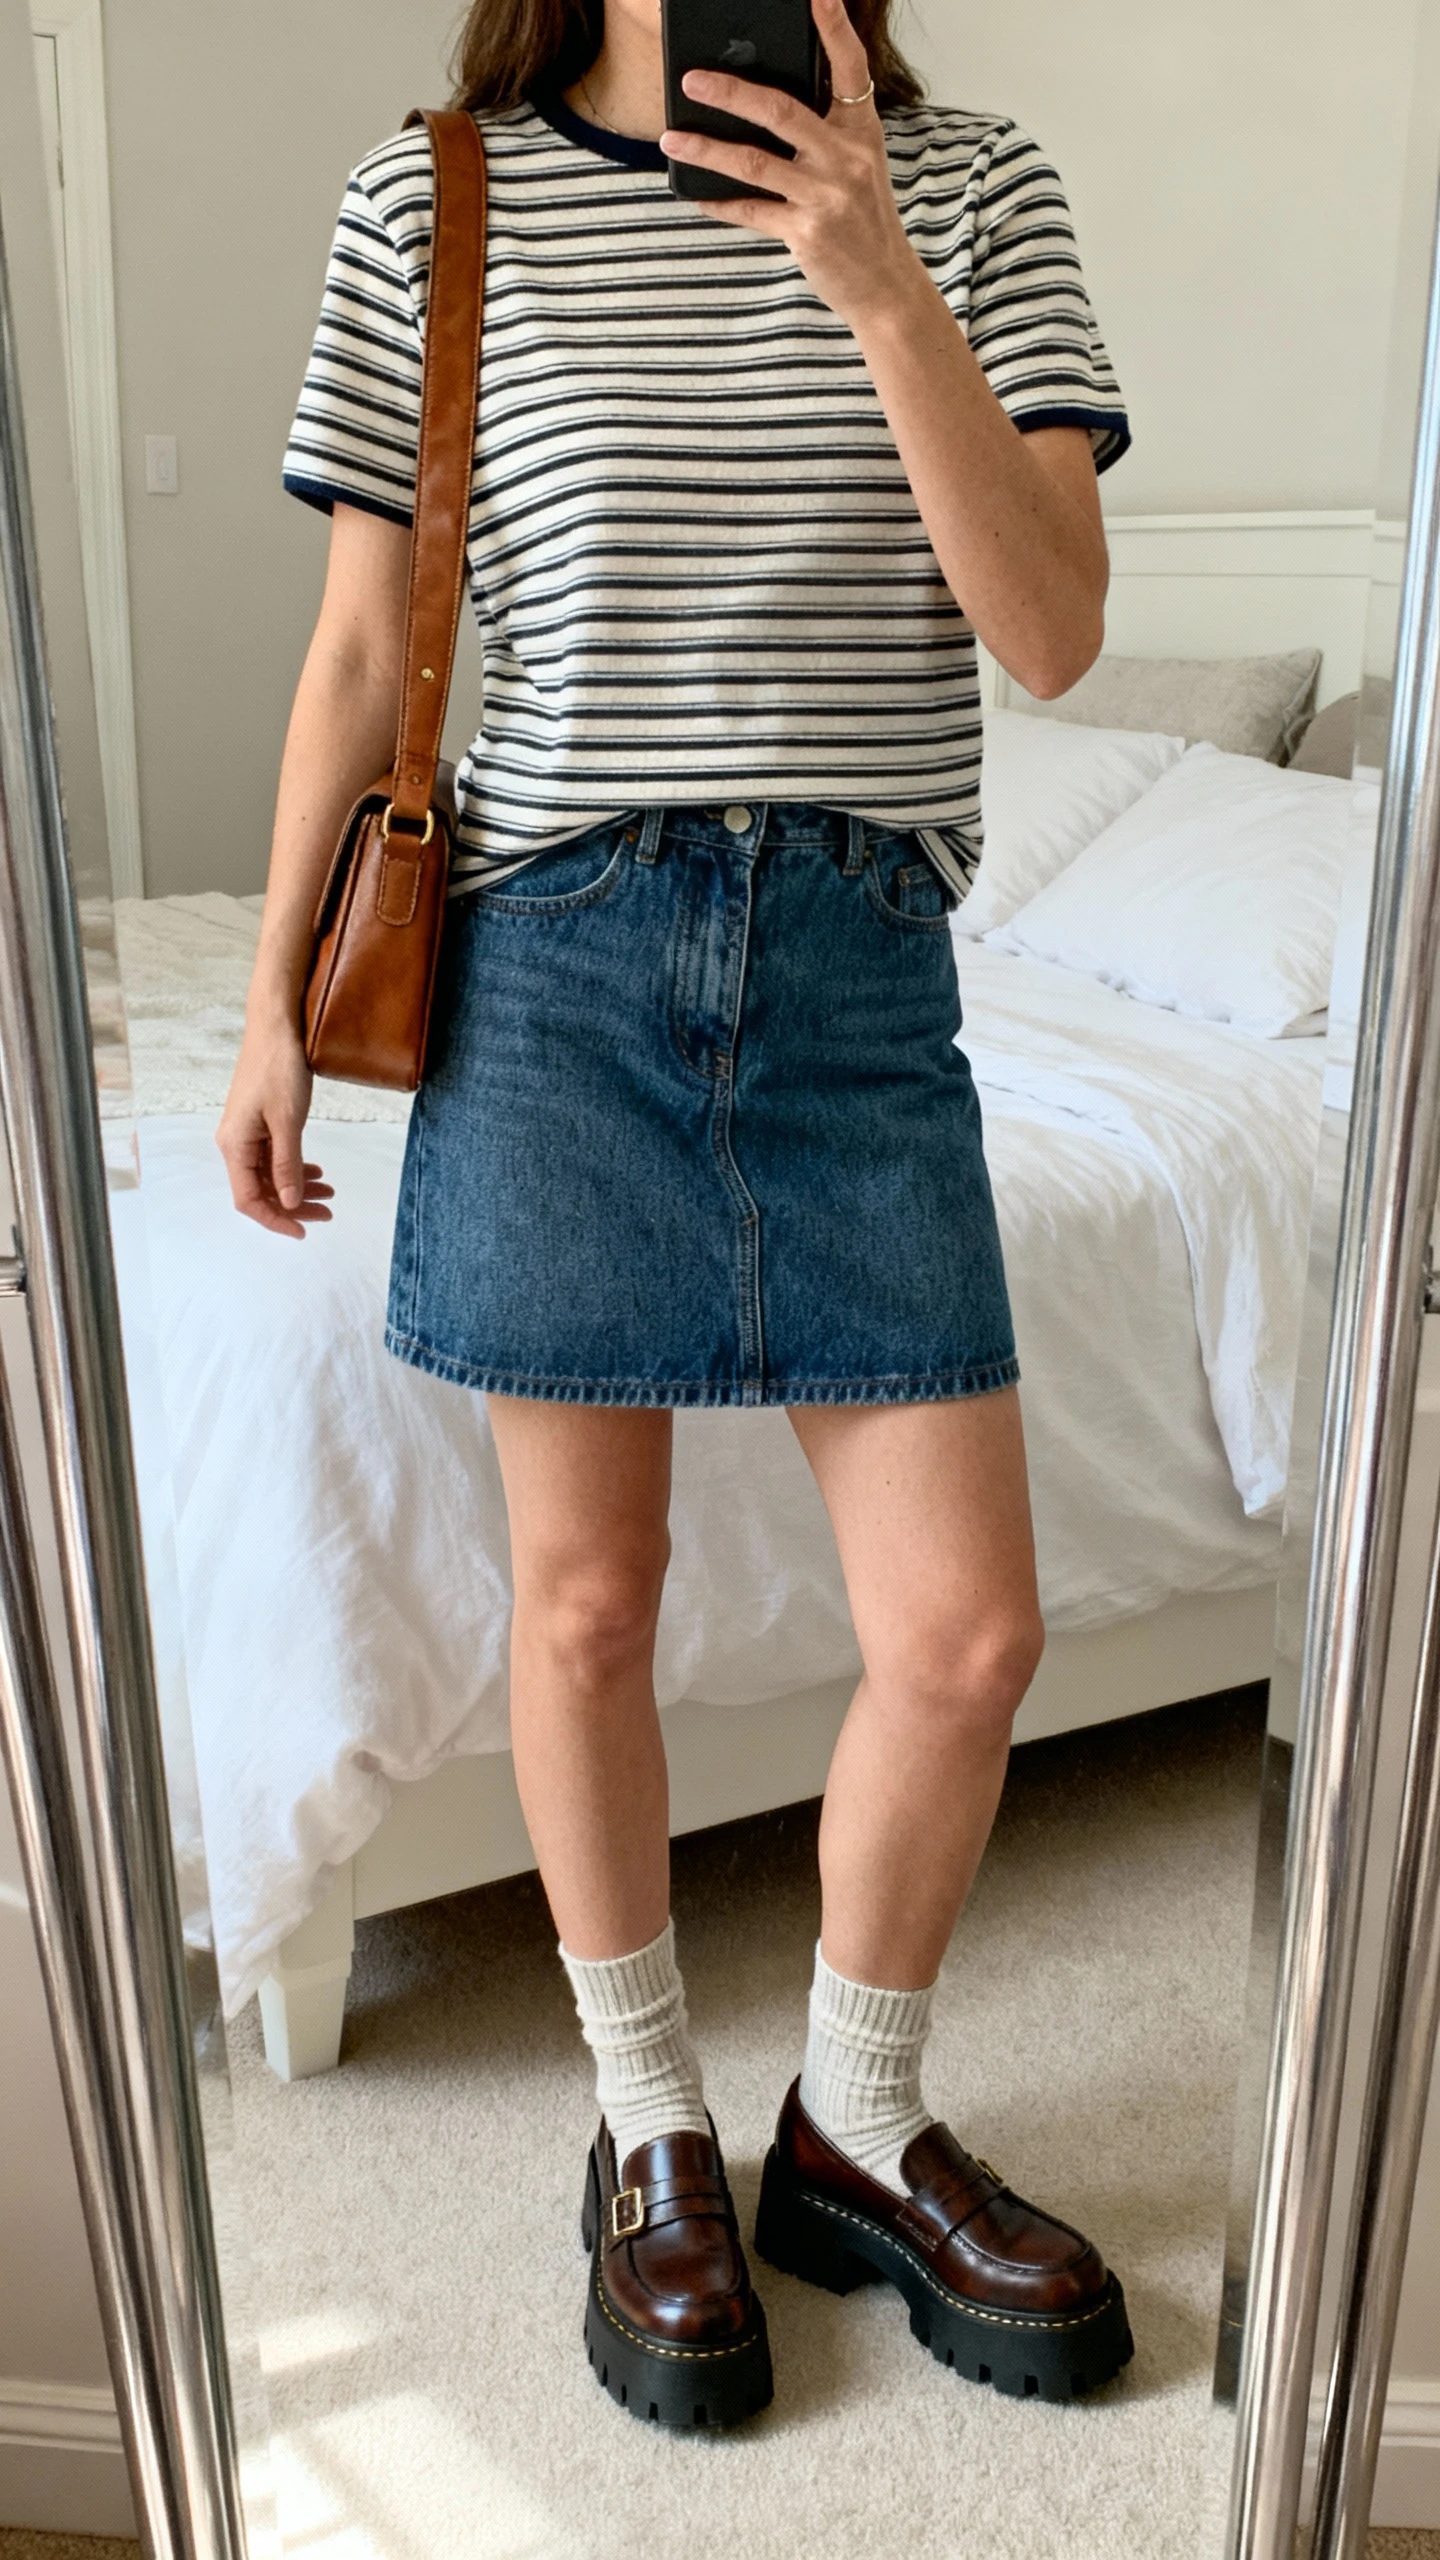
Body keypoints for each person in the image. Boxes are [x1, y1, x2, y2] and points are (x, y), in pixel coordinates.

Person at [219, 0, 1135, 2430]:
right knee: (588, 1598)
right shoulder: (438, 197)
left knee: (968, 1627)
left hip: (854, 975)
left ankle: (855, 2109)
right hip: (559, 972)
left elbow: (1047, 630)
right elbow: (350, 647)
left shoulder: (977, 186)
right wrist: (271, 1001)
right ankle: (648, 2125)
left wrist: (880, 286)